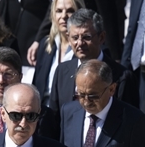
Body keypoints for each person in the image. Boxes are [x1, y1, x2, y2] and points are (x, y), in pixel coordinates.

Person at [45, 8, 137, 138]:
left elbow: (129, 125)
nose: (80, 43)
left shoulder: (121, 76)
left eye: (86, 37)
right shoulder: (62, 72)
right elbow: (54, 119)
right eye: (75, 38)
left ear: (101, 37)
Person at [31, 0, 83, 110]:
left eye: (70, 11)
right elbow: (36, 87)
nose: (64, 16)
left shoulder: (84, 48)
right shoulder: (45, 44)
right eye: (59, 11)